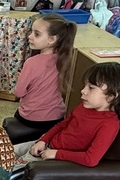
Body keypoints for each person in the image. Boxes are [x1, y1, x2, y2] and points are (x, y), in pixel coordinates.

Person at [0, 62, 120, 180]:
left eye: (91, 88)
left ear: (111, 96)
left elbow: (91, 159)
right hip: (46, 145)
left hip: (55, 158)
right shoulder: (84, 108)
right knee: (1, 152)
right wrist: (43, 140)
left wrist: (56, 154)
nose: (83, 91)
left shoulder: (109, 125)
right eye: (85, 85)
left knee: (10, 176)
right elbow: (61, 125)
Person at [10, 13, 76, 143]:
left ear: (52, 39)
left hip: (32, 118)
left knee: (18, 112)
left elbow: (18, 92)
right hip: (56, 117)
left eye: (36, 34)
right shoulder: (65, 59)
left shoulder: (31, 63)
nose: (30, 36)